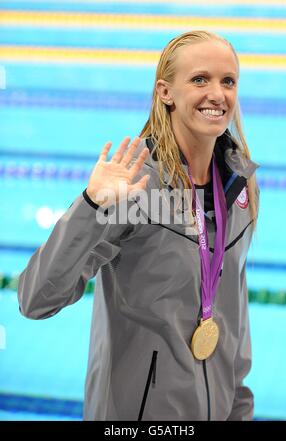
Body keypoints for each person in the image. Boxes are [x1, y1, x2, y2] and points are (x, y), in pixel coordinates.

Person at [18, 30, 259, 421]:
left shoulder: (238, 185)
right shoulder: (135, 188)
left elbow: (232, 320)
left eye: (227, 81)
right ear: (166, 92)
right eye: (200, 79)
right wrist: (91, 206)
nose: (217, 94)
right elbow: (35, 299)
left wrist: (240, 409)